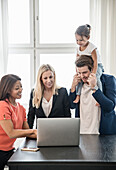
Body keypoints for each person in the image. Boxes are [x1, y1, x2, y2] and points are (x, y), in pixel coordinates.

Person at [69, 55, 116, 135]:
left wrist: (95, 88)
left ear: (93, 70)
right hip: (82, 132)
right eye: (79, 73)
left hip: (102, 133)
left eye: (84, 72)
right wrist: (73, 87)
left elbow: (110, 107)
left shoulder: (108, 80)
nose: (82, 76)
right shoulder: (79, 84)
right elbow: (72, 105)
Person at [0, 74, 37, 170]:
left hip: (9, 150)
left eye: (21, 87)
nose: (21, 90)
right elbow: (11, 133)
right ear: (8, 90)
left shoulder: (21, 109)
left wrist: (45, 135)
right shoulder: (2, 105)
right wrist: (33, 131)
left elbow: (27, 131)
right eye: (17, 88)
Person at [27, 64, 71, 129]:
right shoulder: (34, 93)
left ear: (54, 77)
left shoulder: (62, 92)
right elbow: (31, 116)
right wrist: (28, 135)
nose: (49, 81)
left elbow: (68, 116)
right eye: (45, 78)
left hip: (59, 131)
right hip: (41, 133)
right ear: (41, 79)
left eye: (50, 77)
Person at [73, 24, 104, 104]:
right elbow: (77, 60)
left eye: (81, 40)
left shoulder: (92, 48)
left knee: (96, 77)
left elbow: (95, 61)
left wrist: (93, 73)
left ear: (88, 38)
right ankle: (78, 95)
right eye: (77, 40)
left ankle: (99, 94)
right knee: (79, 78)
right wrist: (78, 72)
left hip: (96, 65)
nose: (79, 42)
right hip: (85, 66)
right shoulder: (78, 48)